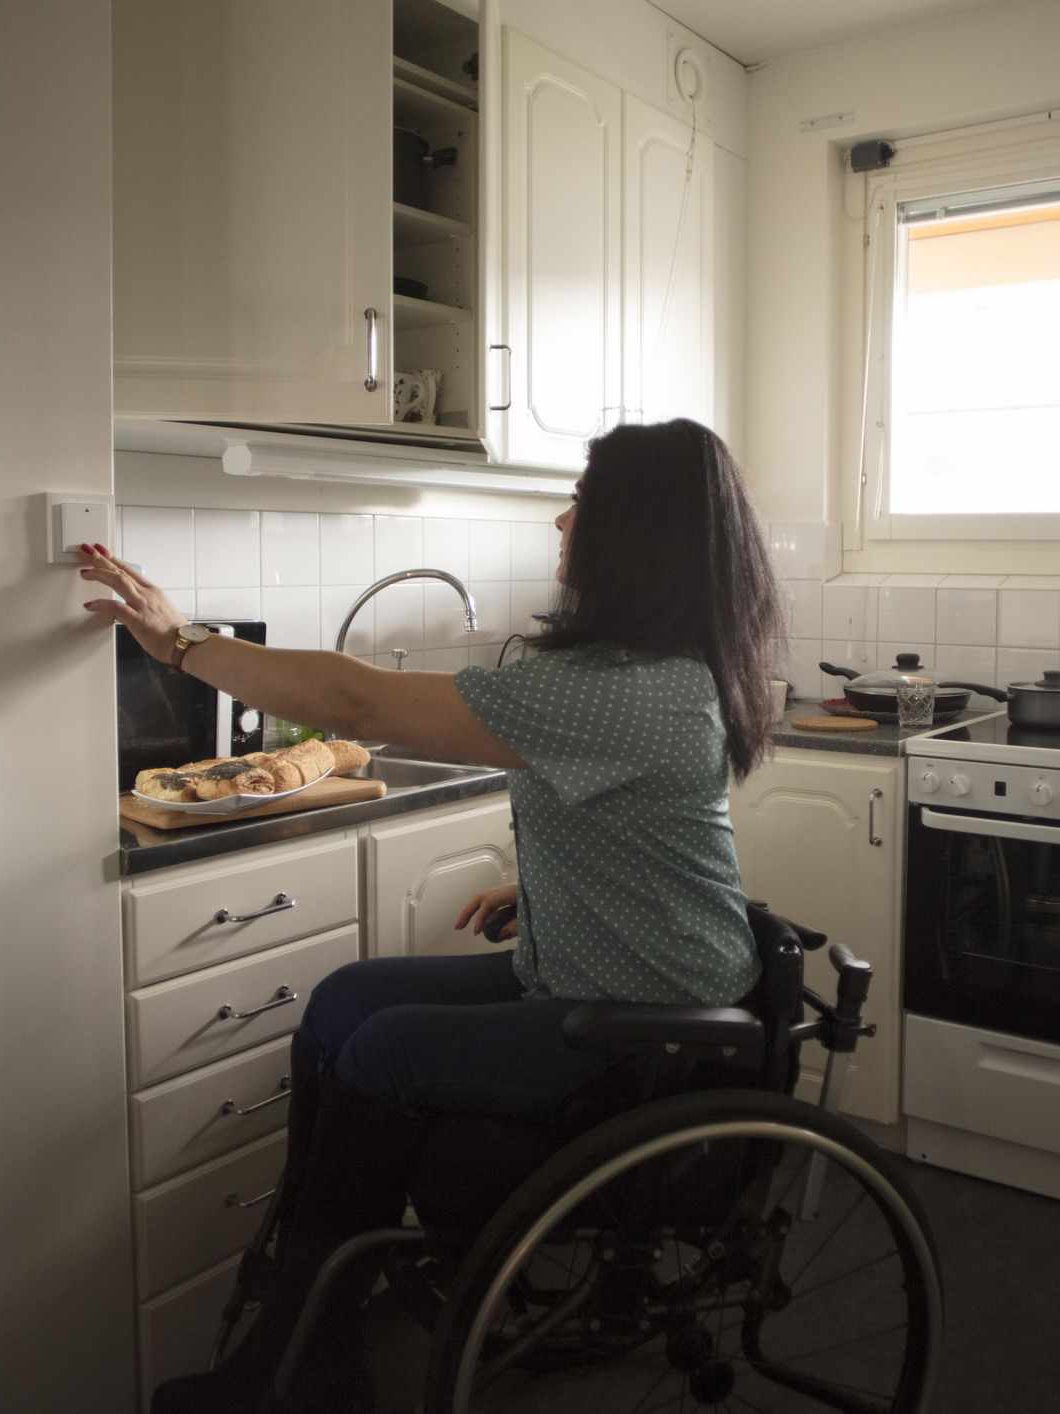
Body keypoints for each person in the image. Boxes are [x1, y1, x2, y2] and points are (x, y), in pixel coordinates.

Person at [80, 419, 783, 1412]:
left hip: (646, 1021)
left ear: (634, 528)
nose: (563, 514)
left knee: (385, 1049)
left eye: (583, 497)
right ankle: (309, 1300)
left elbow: (350, 702)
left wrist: (178, 640)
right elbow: (631, 828)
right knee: (343, 1002)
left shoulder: (618, 691)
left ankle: (307, 1358)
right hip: (613, 971)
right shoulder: (653, 673)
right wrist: (541, 889)